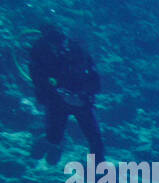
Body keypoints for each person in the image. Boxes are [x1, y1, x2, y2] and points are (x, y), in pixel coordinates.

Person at [28, 22, 104, 165]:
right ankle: (49, 146)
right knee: (54, 137)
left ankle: (99, 172)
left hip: (81, 101)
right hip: (58, 101)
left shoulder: (78, 51)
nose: (57, 46)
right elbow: (38, 79)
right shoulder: (39, 51)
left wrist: (81, 96)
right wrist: (56, 94)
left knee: (95, 139)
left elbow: (95, 82)